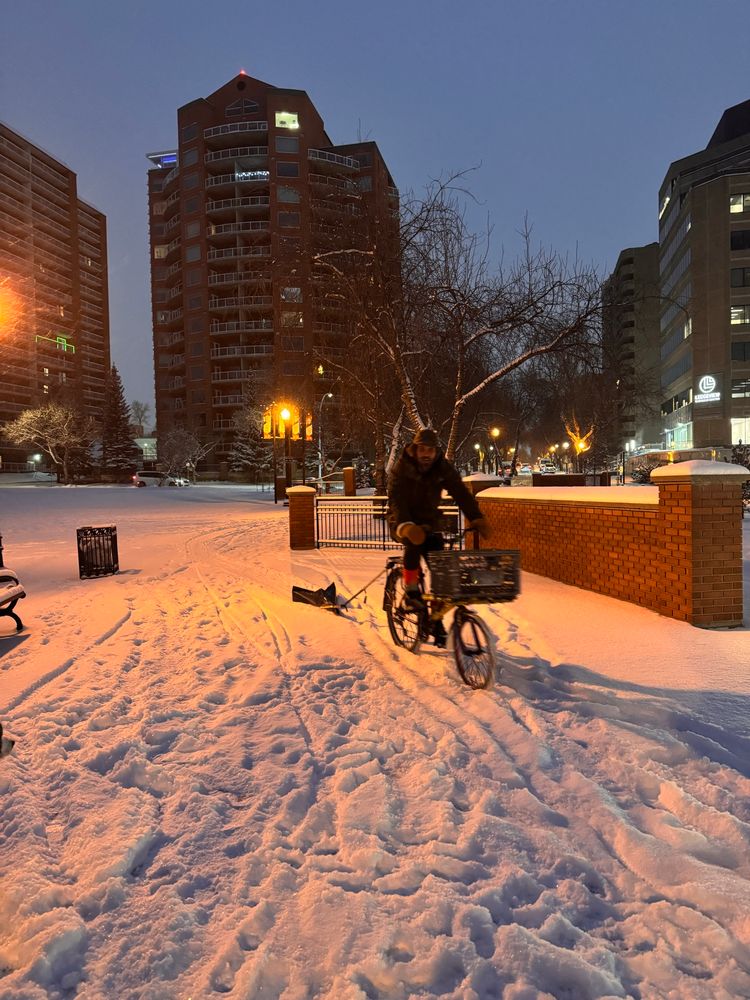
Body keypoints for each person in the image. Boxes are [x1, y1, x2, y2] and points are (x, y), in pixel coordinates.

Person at [387, 428, 490, 646]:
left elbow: (460, 492)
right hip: (402, 520)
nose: (426, 454)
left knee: (441, 571)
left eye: (431, 450)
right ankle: (411, 592)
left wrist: (476, 517)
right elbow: (396, 498)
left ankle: (435, 621)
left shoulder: (441, 467)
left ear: (436, 451)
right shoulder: (402, 468)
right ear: (415, 449)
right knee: (413, 544)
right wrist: (406, 525)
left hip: (429, 522)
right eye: (423, 449)